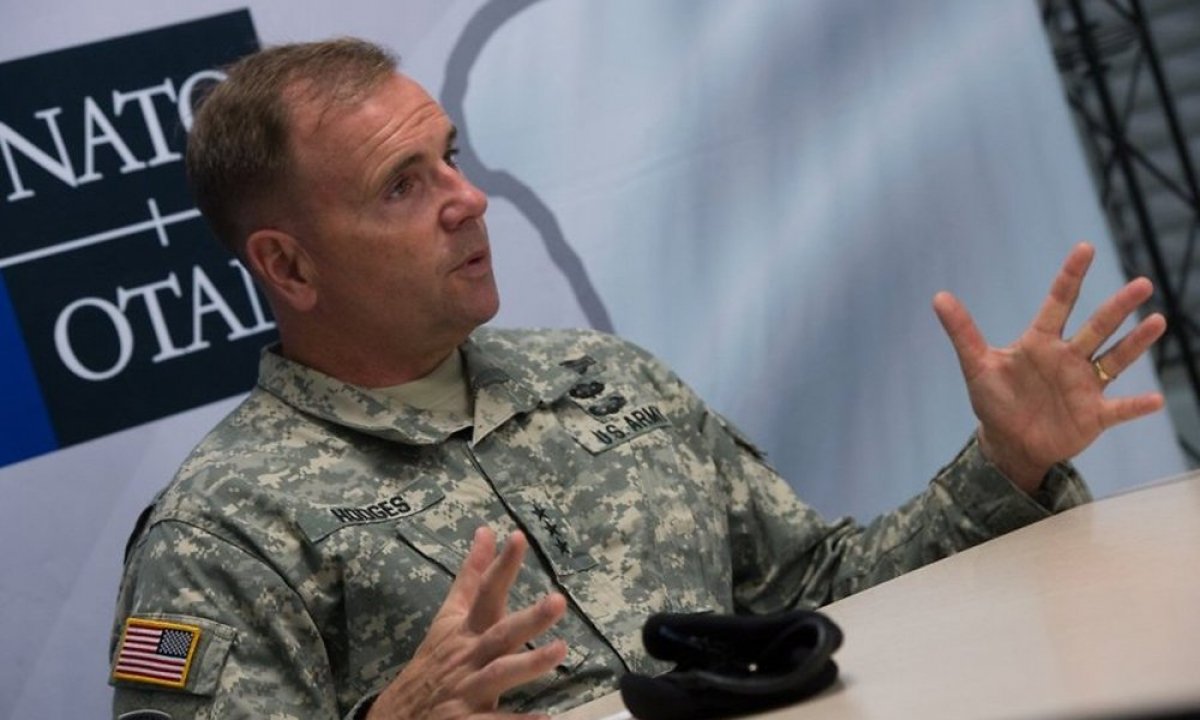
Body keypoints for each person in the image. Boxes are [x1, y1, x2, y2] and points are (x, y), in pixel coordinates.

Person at [109, 38, 1166, 720]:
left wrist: (1009, 464)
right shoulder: (223, 532)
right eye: (402, 185)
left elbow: (821, 597)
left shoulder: (599, 377)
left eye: (450, 157)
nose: (467, 200)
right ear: (289, 267)